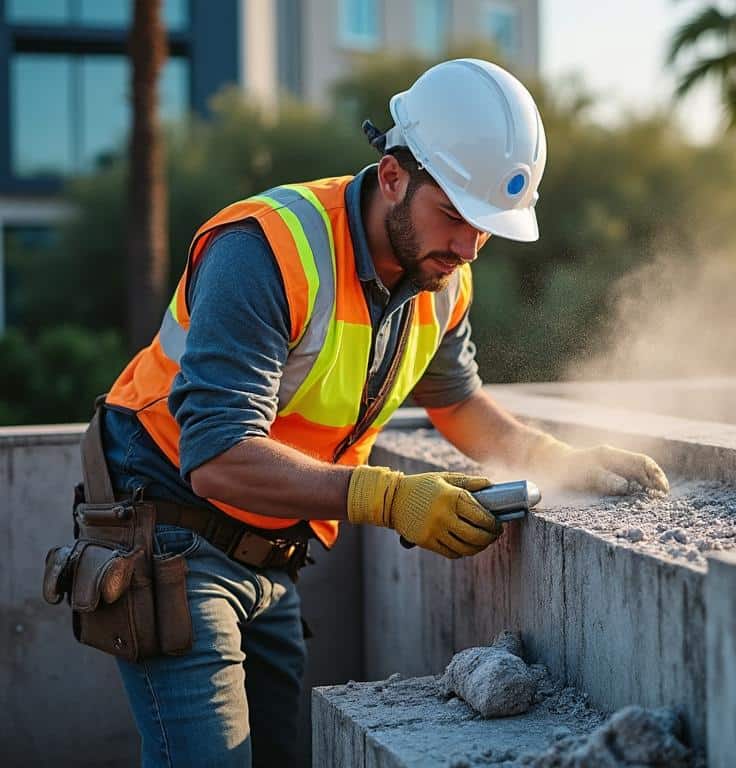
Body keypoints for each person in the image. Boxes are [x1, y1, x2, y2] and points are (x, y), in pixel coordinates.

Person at [93, 59, 669, 765]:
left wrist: (557, 459)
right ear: (394, 175)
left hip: (269, 548)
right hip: (171, 528)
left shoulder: (441, 278)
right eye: (455, 215)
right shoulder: (266, 250)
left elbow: (456, 402)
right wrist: (388, 497)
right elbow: (215, 457)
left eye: (485, 228)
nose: (467, 248)